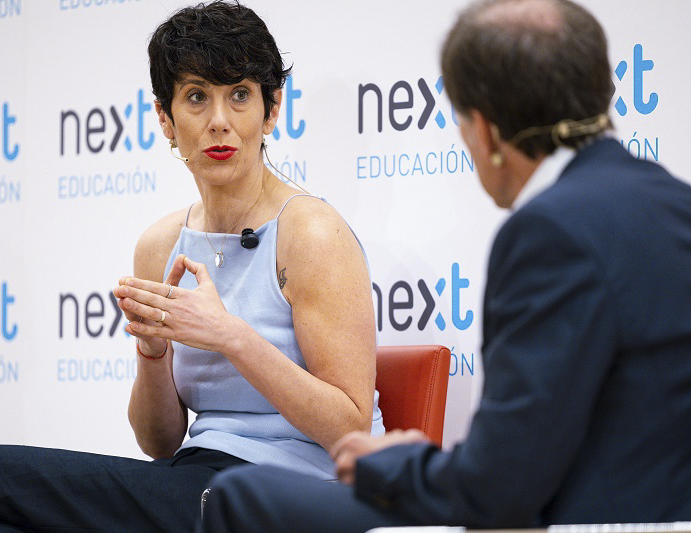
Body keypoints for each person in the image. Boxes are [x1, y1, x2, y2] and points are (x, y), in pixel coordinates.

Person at [199, 0, 691, 530]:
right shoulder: (675, 202)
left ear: (485, 130)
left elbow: (501, 487)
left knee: (240, 497)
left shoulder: (551, 231)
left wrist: (395, 465)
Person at [0, 2, 383, 532]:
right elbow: (159, 443)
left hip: (291, 496)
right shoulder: (161, 246)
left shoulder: (311, 233)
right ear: (165, 120)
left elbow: (351, 431)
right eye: (197, 97)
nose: (219, 121)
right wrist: (153, 353)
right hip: (193, 480)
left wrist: (231, 337)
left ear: (271, 111)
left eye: (240, 96)